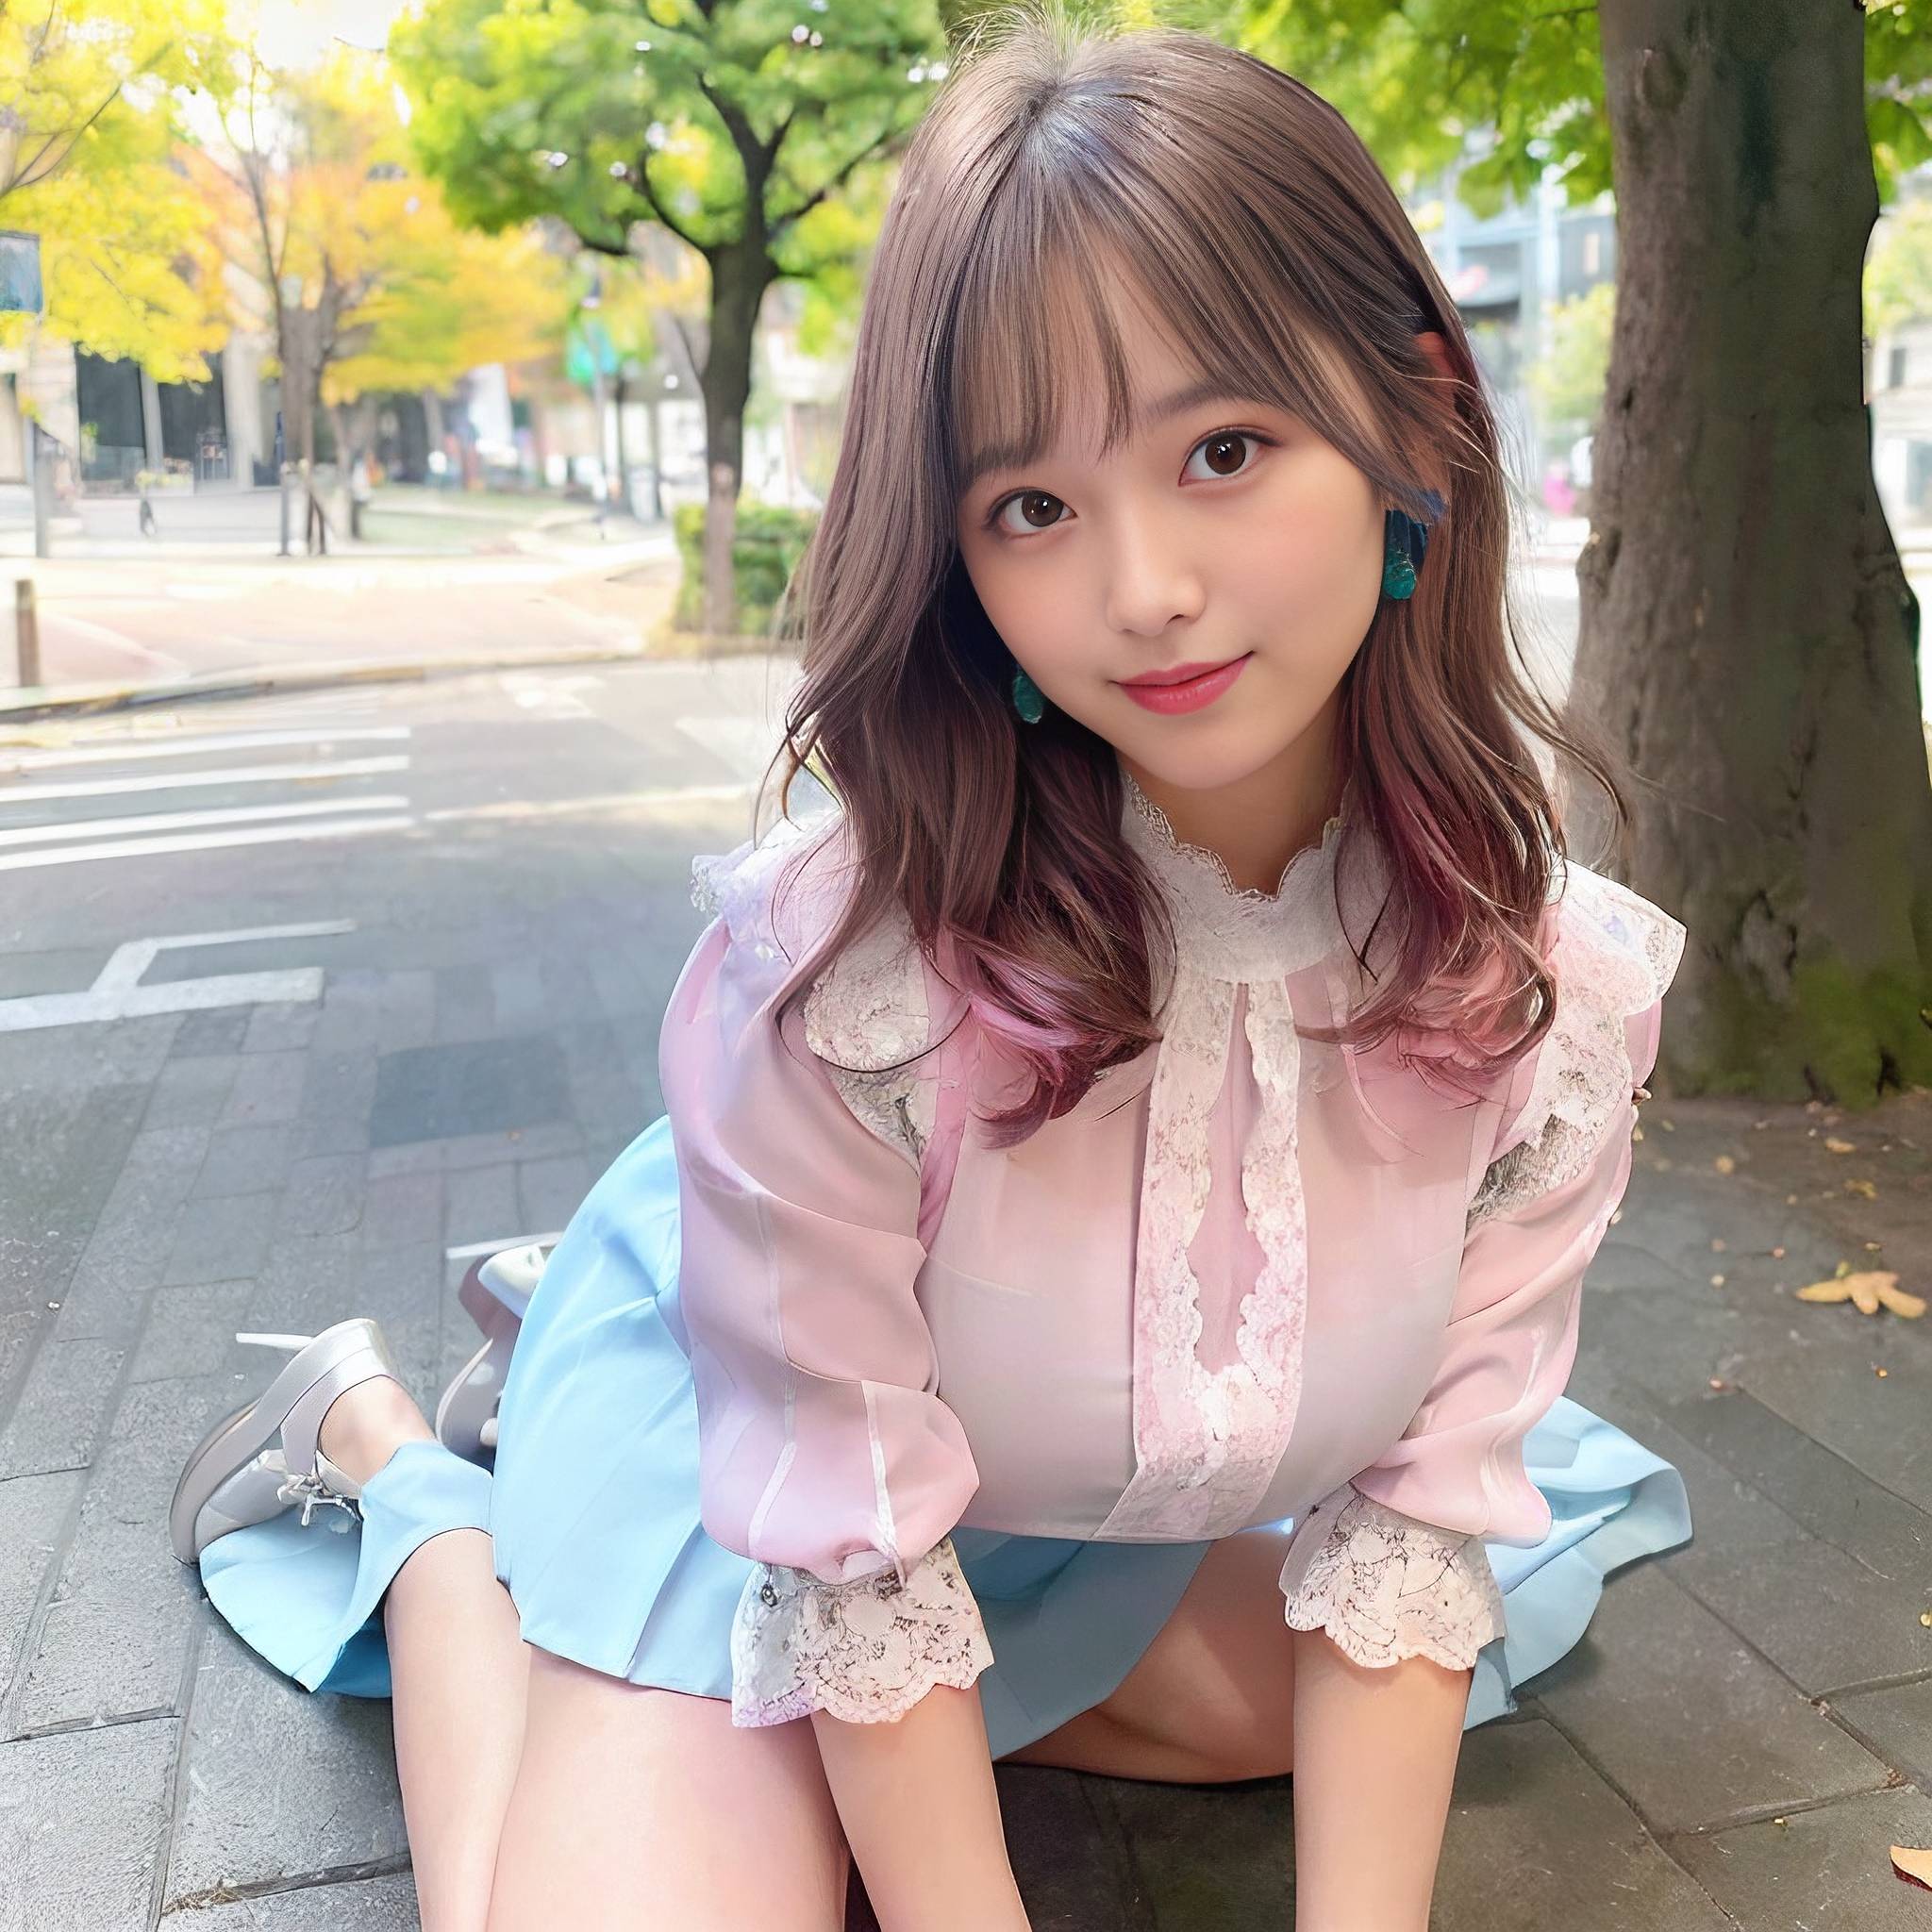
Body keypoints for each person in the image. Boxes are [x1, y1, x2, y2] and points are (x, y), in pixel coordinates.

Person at [169, 10, 1693, 1929]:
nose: (1143, 590)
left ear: (1415, 421)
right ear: (959, 553)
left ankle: (768, 1716)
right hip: (763, 1457)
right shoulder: (846, 988)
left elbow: (1408, 1521)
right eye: (1031, 507)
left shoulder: (1540, 997)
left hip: (1052, 1492)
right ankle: (418, 1496)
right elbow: (858, 1555)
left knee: (1335, 1697)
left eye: (1224, 450)